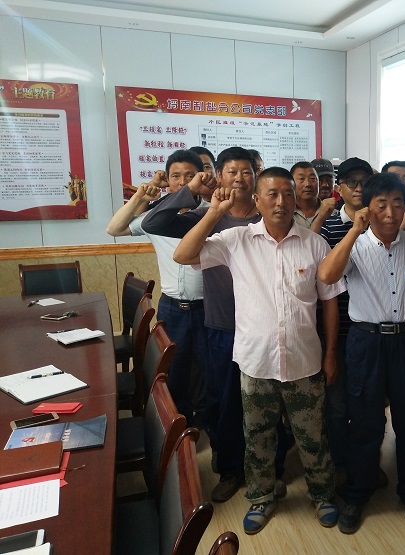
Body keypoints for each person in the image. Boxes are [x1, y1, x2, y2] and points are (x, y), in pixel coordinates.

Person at [173, 167, 344, 534]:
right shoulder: (236, 240)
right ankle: (262, 497)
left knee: (313, 436)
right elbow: (183, 255)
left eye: (288, 194)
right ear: (257, 200)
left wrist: (330, 354)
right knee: (257, 437)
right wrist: (214, 212)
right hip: (256, 362)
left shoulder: (315, 244)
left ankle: (323, 494)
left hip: (304, 361)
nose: (281, 201)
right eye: (272, 194)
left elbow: (329, 302)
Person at [318, 172, 405, 534]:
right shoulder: (354, 245)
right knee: (365, 422)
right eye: (381, 204)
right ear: (367, 208)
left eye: (397, 203)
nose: (390, 212)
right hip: (366, 343)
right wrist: (354, 231)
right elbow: (327, 276)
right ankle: (358, 493)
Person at [142, 147, 259, 502]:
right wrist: (193, 191)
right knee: (222, 400)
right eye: (232, 171)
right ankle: (230, 468)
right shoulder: (206, 215)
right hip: (222, 324)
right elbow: (153, 223)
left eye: (247, 171)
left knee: (264, 401)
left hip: (263, 326)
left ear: (256, 176)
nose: (239, 178)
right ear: (219, 176)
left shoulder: (268, 214)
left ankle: (268, 467)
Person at [106, 149, 209, 429]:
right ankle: (180, 428)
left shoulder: (210, 213)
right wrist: (141, 195)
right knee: (174, 371)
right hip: (173, 307)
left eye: (189, 175)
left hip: (207, 307)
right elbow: (114, 228)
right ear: (168, 180)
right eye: (176, 176)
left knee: (208, 372)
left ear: (201, 177)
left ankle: (208, 428)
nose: (183, 182)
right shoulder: (157, 217)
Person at [318, 157, 374, 493]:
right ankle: (340, 464)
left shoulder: (383, 223)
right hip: (339, 332)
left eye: (364, 181)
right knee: (337, 407)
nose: (358, 187)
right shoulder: (328, 228)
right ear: (339, 188)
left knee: (367, 406)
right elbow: (322, 279)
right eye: (351, 182)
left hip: (371, 334)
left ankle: (365, 465)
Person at [290, 161, 324, 229]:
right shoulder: (285, 214)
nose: (308, 184)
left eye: (312, 178)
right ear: (291, 184)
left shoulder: (331, 212)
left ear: (319, 184)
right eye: (301, 179)